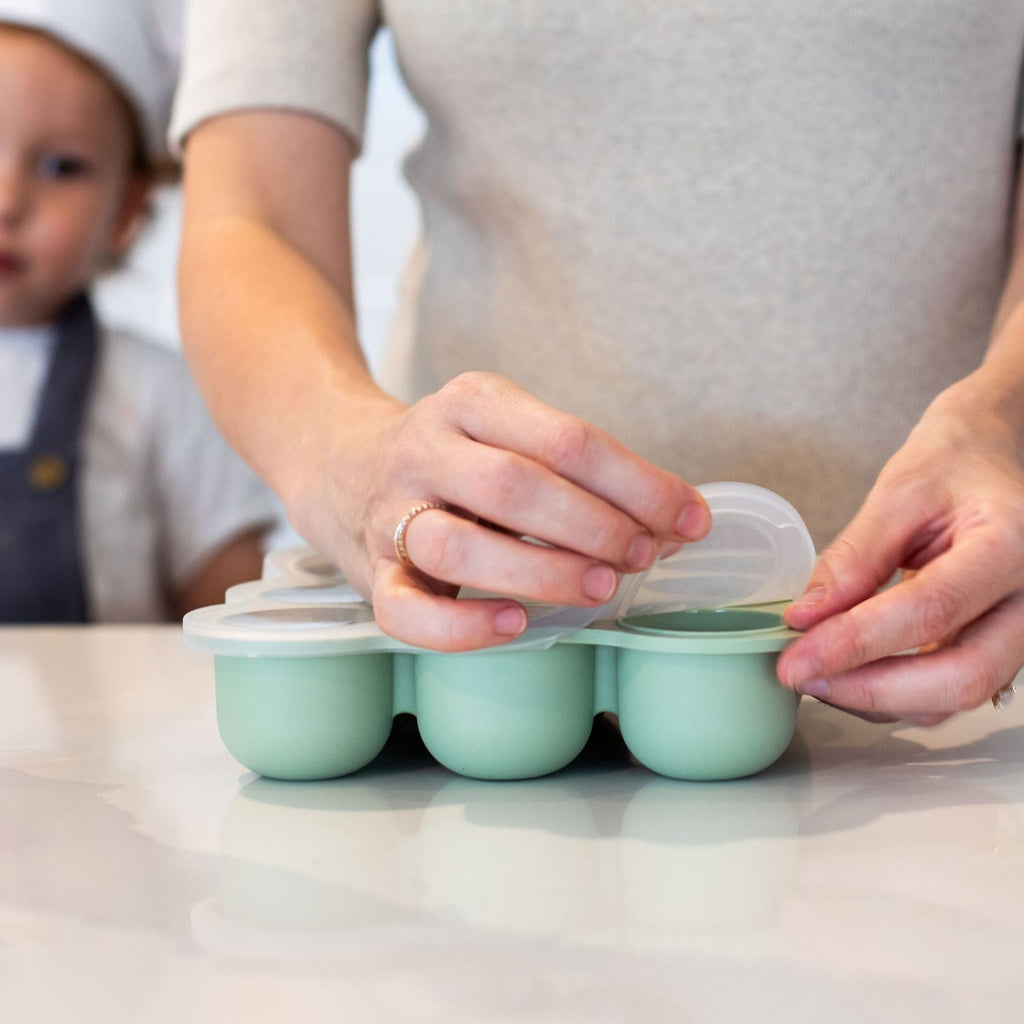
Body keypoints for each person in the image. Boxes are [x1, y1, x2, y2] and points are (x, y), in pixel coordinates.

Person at [170, 3, 1024, 722]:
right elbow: (249, 212)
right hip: (488, 672)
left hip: (969, 643)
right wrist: (345, 453)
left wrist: (1006, 422)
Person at [0, 0, 278, 623]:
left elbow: (233, 607)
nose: (7, 202)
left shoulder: (160, 390)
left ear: (128, 209)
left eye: (60, 167)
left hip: (110, 721)